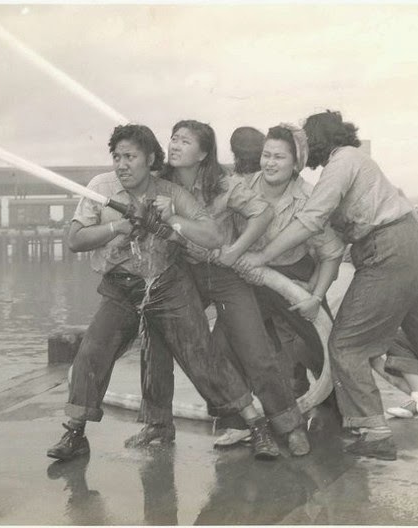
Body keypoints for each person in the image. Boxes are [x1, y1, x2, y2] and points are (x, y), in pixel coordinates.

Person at [237, 110, 418, 461]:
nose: (301, 151)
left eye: (303, 144)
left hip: (388, 252)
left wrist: (263, 255)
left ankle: (374, 432)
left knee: (346, 343)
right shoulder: (358, 161)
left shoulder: (341, 163)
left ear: (318, 141)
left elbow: (311, 219)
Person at [47, 124, 279, 462]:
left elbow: (212, 236)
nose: (122, 165)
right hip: (121, 287)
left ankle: (257, 426)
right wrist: (118, 226)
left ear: (151, 159)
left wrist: (172, 220)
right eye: (117, 157)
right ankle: (75, 433)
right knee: (91, 352)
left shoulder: (171, 193)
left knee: (203, 356)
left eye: (130, 157)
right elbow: (74, 240)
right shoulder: (100, 187)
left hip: (167, 284)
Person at [129, 119, 309, 457]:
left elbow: (263, 213)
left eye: (184, 141)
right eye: (173, 139)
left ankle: (290, 426)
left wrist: (236, 251)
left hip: (224, 274)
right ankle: (160, 422)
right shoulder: (161, 184)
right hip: (182, 272)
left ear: (204, 153)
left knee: (254, 348)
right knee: (155, 336)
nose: (174, 145)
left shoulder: (225, 184)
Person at [215, 124, 345, 447]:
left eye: (279, 157)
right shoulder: (241, 186)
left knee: (326, 350)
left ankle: (343, 412)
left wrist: (316, 296)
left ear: (296, 162)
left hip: (295, 276)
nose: (270, 163)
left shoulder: (310, 198)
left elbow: (332, 253)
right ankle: (238, 421)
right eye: (266, 155)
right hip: (249, 277)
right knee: (223, 342)